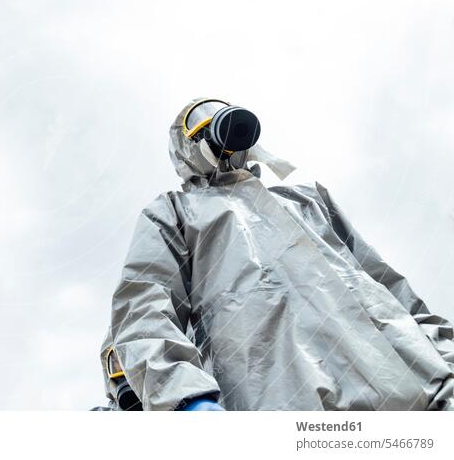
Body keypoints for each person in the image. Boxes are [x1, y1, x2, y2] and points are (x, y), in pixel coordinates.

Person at [100, 98, 454, 411]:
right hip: (287, 406)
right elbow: (143, 305)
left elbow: (390, 289)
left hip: (419, 394)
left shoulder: (307, 200)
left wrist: (445, 361)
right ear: (185, 146)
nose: (218, 121)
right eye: (202, 118)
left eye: (219, 112)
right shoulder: (175, 213)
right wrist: (186, 398)